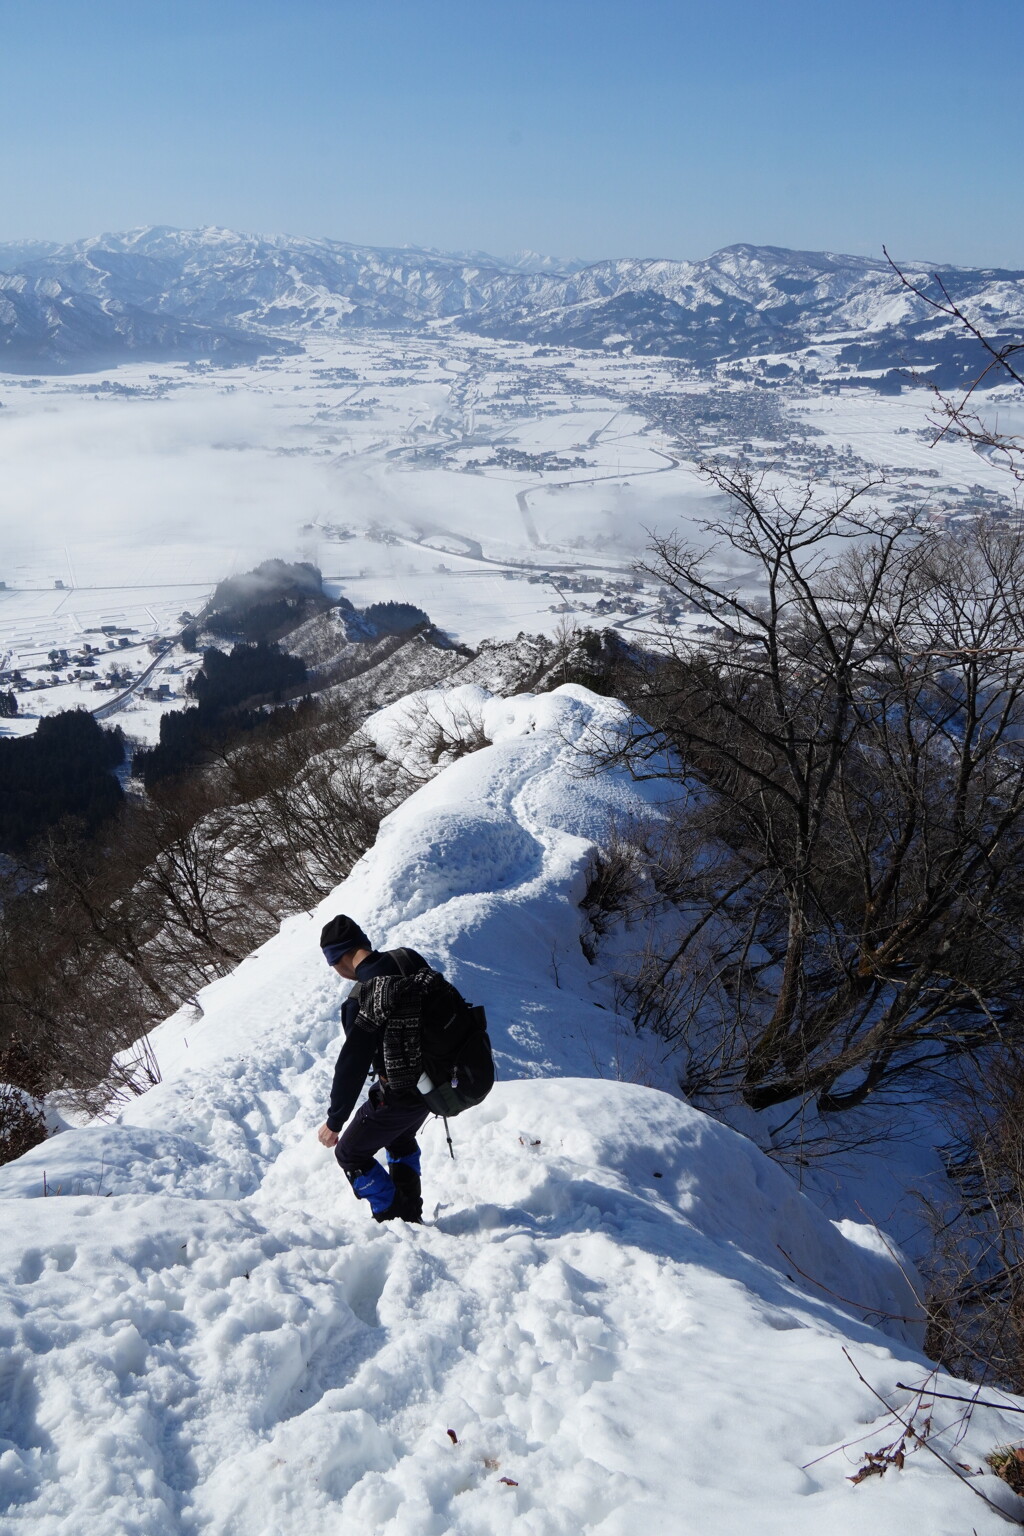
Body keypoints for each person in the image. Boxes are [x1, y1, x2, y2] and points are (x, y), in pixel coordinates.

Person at [316, 913, 430, 1224]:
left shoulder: (362, 998)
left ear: (337, 960)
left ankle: (393, 1218)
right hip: (437, 1084)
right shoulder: (408, 960)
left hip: (401, 1094)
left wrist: (335, 1121)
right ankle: (411, 1215)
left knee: (349, 1154)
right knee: (399, 1137)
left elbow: (352, 1065)